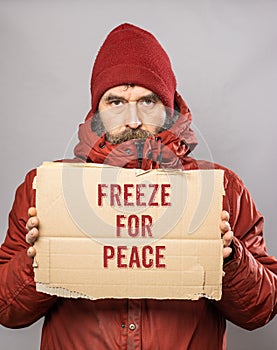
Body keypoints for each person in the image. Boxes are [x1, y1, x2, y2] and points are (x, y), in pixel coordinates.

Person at [0, 23, 276, 350]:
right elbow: (8, 312)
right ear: (98, 112)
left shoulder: (221, 189)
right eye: (116, 102)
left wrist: (231, 260)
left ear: (169, 110)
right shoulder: (46, 189)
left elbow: (261, 311)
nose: (132, 120)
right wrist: (36, 260)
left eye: (147, 101)